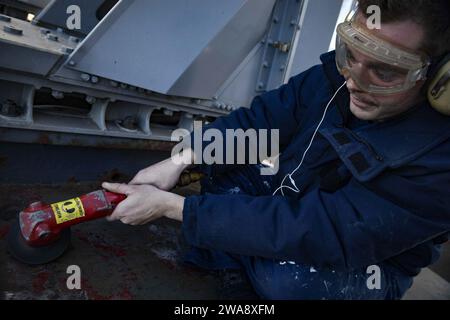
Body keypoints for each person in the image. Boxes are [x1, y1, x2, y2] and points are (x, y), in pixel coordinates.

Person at [102, 0, 450, 300]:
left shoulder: (440, 162)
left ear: (439, 79)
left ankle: (237, 256)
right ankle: (241, 257)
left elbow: (328, 231)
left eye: (385, 70)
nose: (352, 81)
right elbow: (261, 123)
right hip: (293, 202)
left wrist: (178, 209)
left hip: (362, 260)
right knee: (222, 172)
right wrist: (181, 160)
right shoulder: (336, 78)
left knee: (290, 282)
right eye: (350, 54)